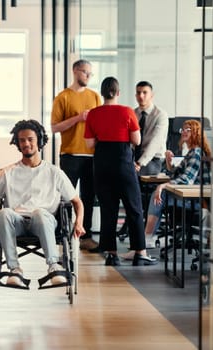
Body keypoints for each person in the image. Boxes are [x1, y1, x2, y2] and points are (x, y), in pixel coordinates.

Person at [0, 119, 85, 288]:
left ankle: (54, 266)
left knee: (39, 213)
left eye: (30, 139)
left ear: (39, 141)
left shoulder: (54, 173)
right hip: (16, 223)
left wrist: (79, 223)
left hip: (44, 222)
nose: (26, 143)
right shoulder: (7, 173)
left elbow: (77, 202)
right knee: (4, 213)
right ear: (17, 144)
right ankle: (15, 270)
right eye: (22, 140)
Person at [84, 77, 158, 267]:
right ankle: (140, 252)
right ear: (118, 93)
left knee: (109, 209)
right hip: (123, 162)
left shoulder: (93, 114)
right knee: (134, 207)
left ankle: (111, 254)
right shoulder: (127, 112)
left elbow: (90, 143)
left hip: (101, 163)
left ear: (102, 93)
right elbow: (137, 140)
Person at [122, 119, 211, 260]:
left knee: (159, 196)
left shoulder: (197, 153)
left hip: (197, 202)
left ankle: (144, 243)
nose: (184, 132)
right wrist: (169, 163)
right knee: (158, 195)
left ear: (196, 133)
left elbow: (186, 180)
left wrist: (162, 186)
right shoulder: (191, 153)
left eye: (188, 129)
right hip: (190, 198)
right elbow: (174, 174)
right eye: (183, 129)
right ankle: (144, 242)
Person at [51, 59, 101, 252]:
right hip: (70, 154)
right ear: (75, 71)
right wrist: (78, 118)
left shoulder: (95, 96)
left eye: (90, 73)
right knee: (66, 196)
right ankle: (62, 233)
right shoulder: (63, 97)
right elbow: (55, 127)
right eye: (84, 72)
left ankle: (85, 236)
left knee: (88, 196)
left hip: (91, 155)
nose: (88, 76)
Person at [118, 81, 169, 238]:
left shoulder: (160, 115)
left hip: (152, 160)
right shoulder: (132, 113)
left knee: (135, 182)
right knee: (122, 180)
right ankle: (131, 220)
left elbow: (156, 142)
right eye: (138, 92)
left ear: (151, 95)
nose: (141, 95)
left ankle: (137, 224)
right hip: (134, 159)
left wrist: (140, 163)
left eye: (144, 92)